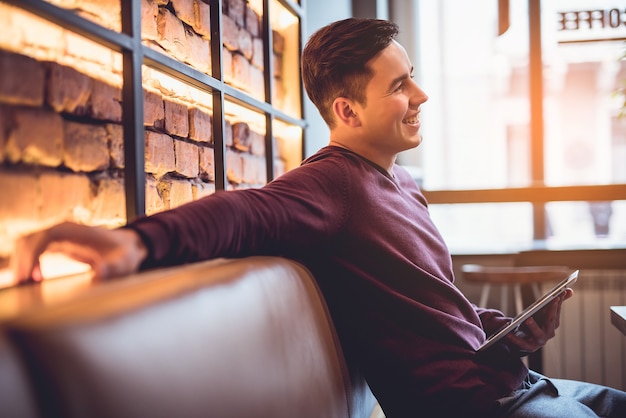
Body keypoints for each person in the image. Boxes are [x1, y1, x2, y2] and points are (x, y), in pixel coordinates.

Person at [11, 18, 626, 418]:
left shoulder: (401, 182)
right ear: (346, 110)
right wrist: (132, 244)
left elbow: (431, 311)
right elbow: (244, 212)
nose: (420, 97)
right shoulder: (331, 184)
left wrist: (503, 328)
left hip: (513, 385)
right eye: (400, 85)